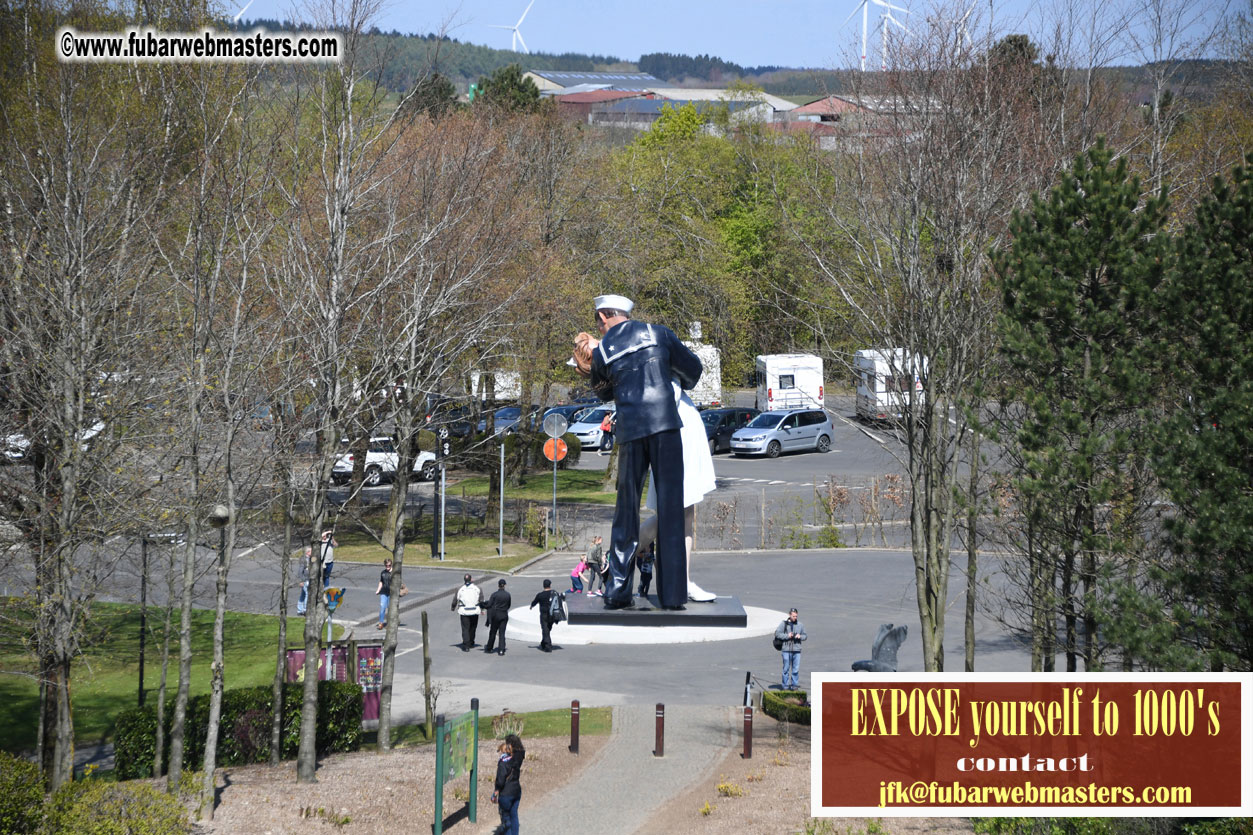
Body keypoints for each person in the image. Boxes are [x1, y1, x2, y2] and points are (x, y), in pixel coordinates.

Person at [576, 293, 702, 611]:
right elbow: (693, 372)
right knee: (672, 509)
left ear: (605, 316)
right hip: (664, 425)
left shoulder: (603, 351)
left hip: (631, 431)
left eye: (598, 321)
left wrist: (586, 370)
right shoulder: (659, 333)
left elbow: (603, 392)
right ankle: (673, 595)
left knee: (626, 510)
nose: (599, 327)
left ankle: (617, 590)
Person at [636, 378, 718, 603]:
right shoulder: (663, 355)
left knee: (685, 517)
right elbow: (667, 394)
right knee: (674, 516)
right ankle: (617, 558)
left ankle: (682, 579)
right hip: (678, 438)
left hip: (683, 435)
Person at [491, 734, 525, 835]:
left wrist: (496, 790)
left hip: (506, 794)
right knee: (514, 815)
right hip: (516, 792)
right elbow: (521, 751)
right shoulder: (518, 758)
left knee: (506, 819)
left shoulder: (503, 763)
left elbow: (500, 781)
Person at [775, 608, 808, 690]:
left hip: (797, 650)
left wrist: (800, 636)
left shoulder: (800, 625)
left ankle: (794, 686)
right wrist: (787, 636)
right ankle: (785, 686)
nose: (795, 618)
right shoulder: (784, 624)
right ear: (789, 615)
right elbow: (777, 633)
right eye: (793, 616)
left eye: (796, 616)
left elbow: (805, 636)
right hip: (786, 649)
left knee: (795, 670)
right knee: (786, 669)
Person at [451, 573, 484, 651]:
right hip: (475, 611)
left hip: (464, 612)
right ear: (471, 579)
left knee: (465, 628)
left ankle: (466, 645)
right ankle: (471, 642)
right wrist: (483, 609)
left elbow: (455, 600)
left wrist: (453, 607)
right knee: (473, 627)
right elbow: (481, 600)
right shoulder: (478, 588)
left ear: (464, 580)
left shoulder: (459, 589)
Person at [528, 579, 558, 652]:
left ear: (543, 586)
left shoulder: (540, 595)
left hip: (544, 614)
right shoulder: (554, 593)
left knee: (545, 630)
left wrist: (531, 606)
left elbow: (534, 602)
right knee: (547, 629)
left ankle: (548, 646)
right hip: (552, 615)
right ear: (550, 585)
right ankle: (543, 643)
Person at [484, 579, 512, 656]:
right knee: (502, 633)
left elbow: (489, 605)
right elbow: (509, 605)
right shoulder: (507, 595)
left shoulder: (494, 594)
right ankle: (501, 650)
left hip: (496, 615)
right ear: (505, 585)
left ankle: (489, 648)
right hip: (504, 614)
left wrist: (483, 605)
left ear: (498, 585)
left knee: (493, 632)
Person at [375, 558, 393, 629]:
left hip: (391, 593)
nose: (387, 567)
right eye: (386, 565)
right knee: (382, 607)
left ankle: (390, 623)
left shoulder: (394, 573)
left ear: (391, 565)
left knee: (390, 608)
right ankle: (381, 623)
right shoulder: (383, 573)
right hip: (384, 592)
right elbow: (381, 582)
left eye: (389, 565)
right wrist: (378, 590)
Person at [295, 547, 312, 616]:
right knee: (307, 594)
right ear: (307, 552)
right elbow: (300, 571)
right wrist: (301, 580)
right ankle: (305, 610)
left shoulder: (310, 559)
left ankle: (299, 610)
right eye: (311, 551)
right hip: (305, 580)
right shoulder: (304, 560)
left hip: (307, 579)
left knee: (303, 594)